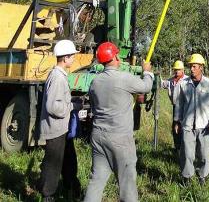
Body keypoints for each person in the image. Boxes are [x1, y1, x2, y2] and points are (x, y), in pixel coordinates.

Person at [83, 42, 154, 202]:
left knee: (97, 180)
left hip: (98, 136)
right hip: (120, 138)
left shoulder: (95, 82)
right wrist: (147, 72)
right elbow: (146, 87)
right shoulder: (124, 78)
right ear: (115, 57)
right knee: (127, 181)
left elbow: (93, 106)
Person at [39, 39, 83, 202]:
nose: (73, 59)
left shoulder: (59, 75)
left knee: (68, 160)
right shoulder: (57, 78)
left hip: (61, 128)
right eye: (72, 56)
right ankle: (47, 195)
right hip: (55, 128)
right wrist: (72, 106)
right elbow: (53, 106)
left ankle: (71, 188)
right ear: (65, 58)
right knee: (53, 164)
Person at [174, 53, 209, 185]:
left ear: (201, 67)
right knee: (187, 154)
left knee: (203, 154)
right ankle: (186, 178)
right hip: (187, 125)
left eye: (194, 66)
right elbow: (179, 104)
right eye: (190, 66)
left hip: (204, 125)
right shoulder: (183, 84)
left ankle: (202, 177)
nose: (191, 69)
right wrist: (176, 121)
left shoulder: (208, 84)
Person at [161, 60, 188, 152]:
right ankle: (177, 148)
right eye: (175, 69)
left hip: (186, 108)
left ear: (183, 70)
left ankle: (186, 148)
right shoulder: (171, 81)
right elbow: (162, 84)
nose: (177, 71)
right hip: (175, 107)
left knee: (185, 127)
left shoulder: (187, 80)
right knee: (175, 127)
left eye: (179, 70)